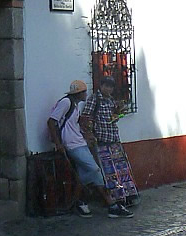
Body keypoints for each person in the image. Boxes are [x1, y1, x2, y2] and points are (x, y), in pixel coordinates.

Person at [46, 79, 127, 217]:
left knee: (84, 176)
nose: (85, 95)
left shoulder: (75, 106)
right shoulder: (66, 103)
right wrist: (59, 144)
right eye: (83, 92)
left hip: (80, 142)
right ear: (78, 93)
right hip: (72, 144)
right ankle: (111, 204)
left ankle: (80, 202)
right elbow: (51, 121)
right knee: (95, 170)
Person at [81, 76, 138, 214]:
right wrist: (90, 135)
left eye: (111, 87)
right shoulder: (95, 99)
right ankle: (112, 198)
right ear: (101, 86)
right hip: (100, 140)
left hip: (113, 138)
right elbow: (86, 117)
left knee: (120, 169)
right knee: (107, 172)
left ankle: (126, 195)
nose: (108, 89)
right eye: (106, 86)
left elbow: (113, 117)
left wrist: (118, 113)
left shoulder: (111, 100)